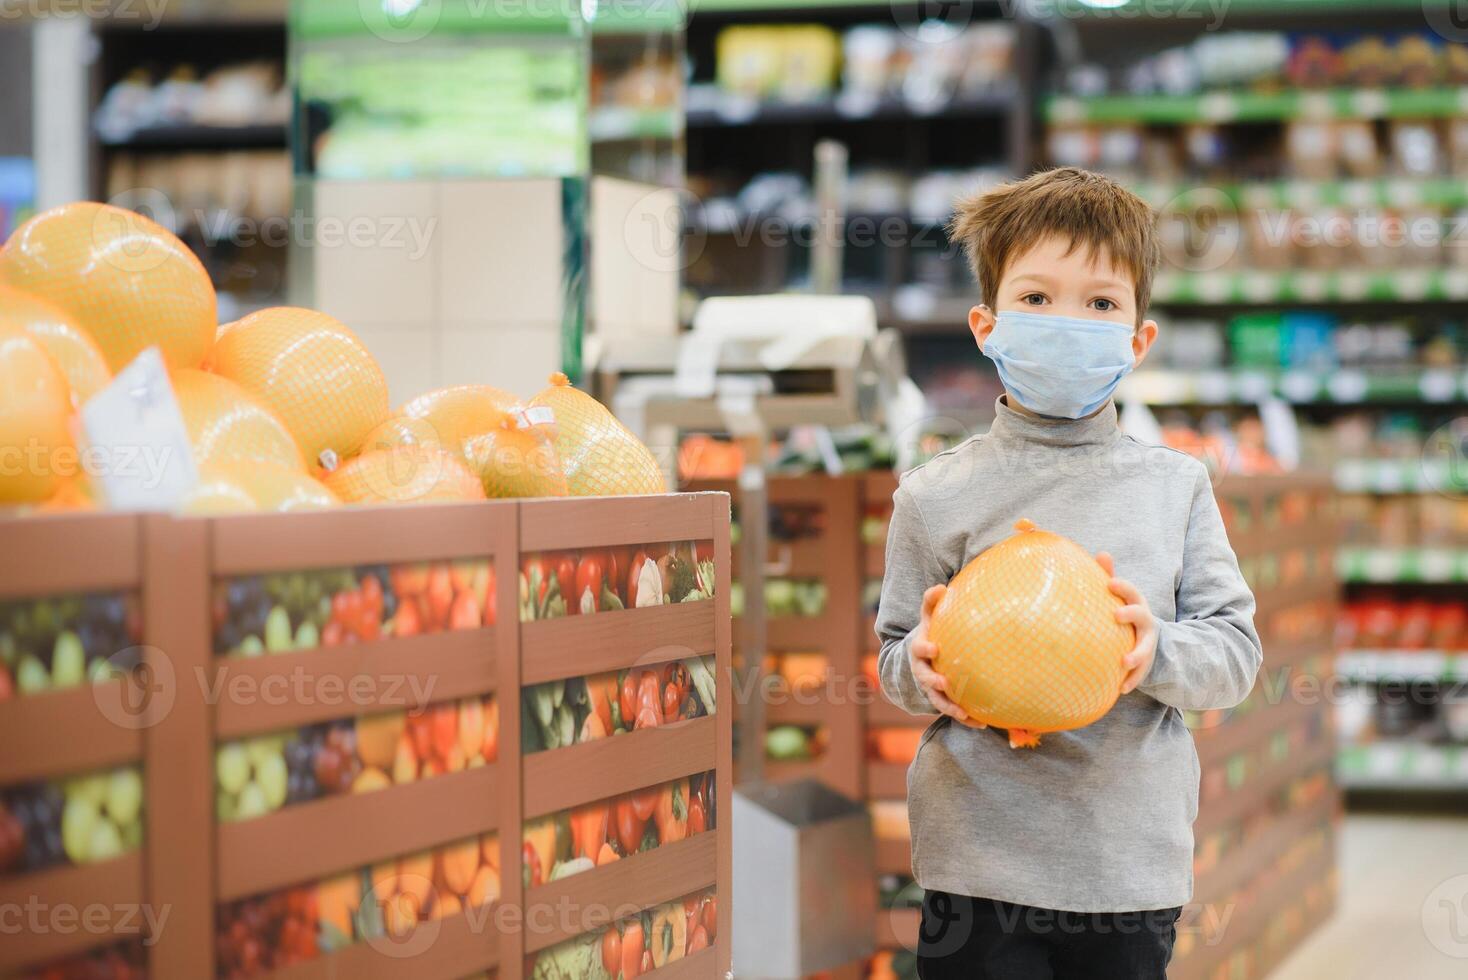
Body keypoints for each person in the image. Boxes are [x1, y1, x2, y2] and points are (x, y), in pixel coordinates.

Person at [874, 167, 1262, 979]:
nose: (1068, 322)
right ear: (986, 325)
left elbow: (1234, 657)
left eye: (1100, 304)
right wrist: (919, 669)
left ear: (1137, 338)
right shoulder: (934, 494)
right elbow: (894, 658)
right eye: (1038, 300)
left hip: (1126, 862)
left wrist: (1152, 649)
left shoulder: (1175, 487)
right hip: (976, 861)